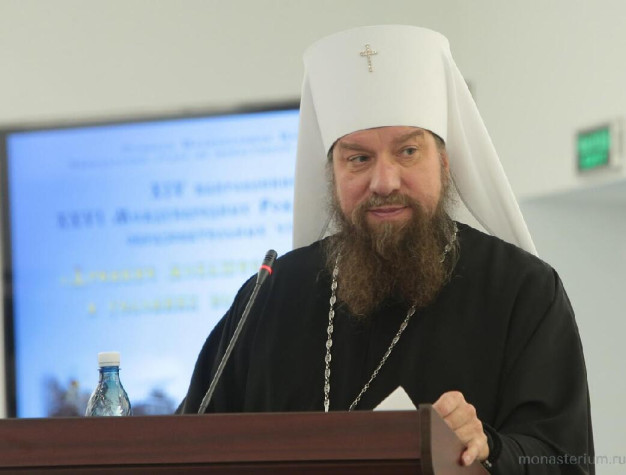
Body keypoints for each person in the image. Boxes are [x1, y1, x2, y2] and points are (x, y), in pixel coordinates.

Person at [178, 26, 594, 474]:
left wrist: (489, 447)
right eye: (358, 159)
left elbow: (565, 460)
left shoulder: (520, 290)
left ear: (444, 163)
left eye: (408, 151)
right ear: (332, 174)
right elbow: (186, 446)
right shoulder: (269, 297)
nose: (384, 182)